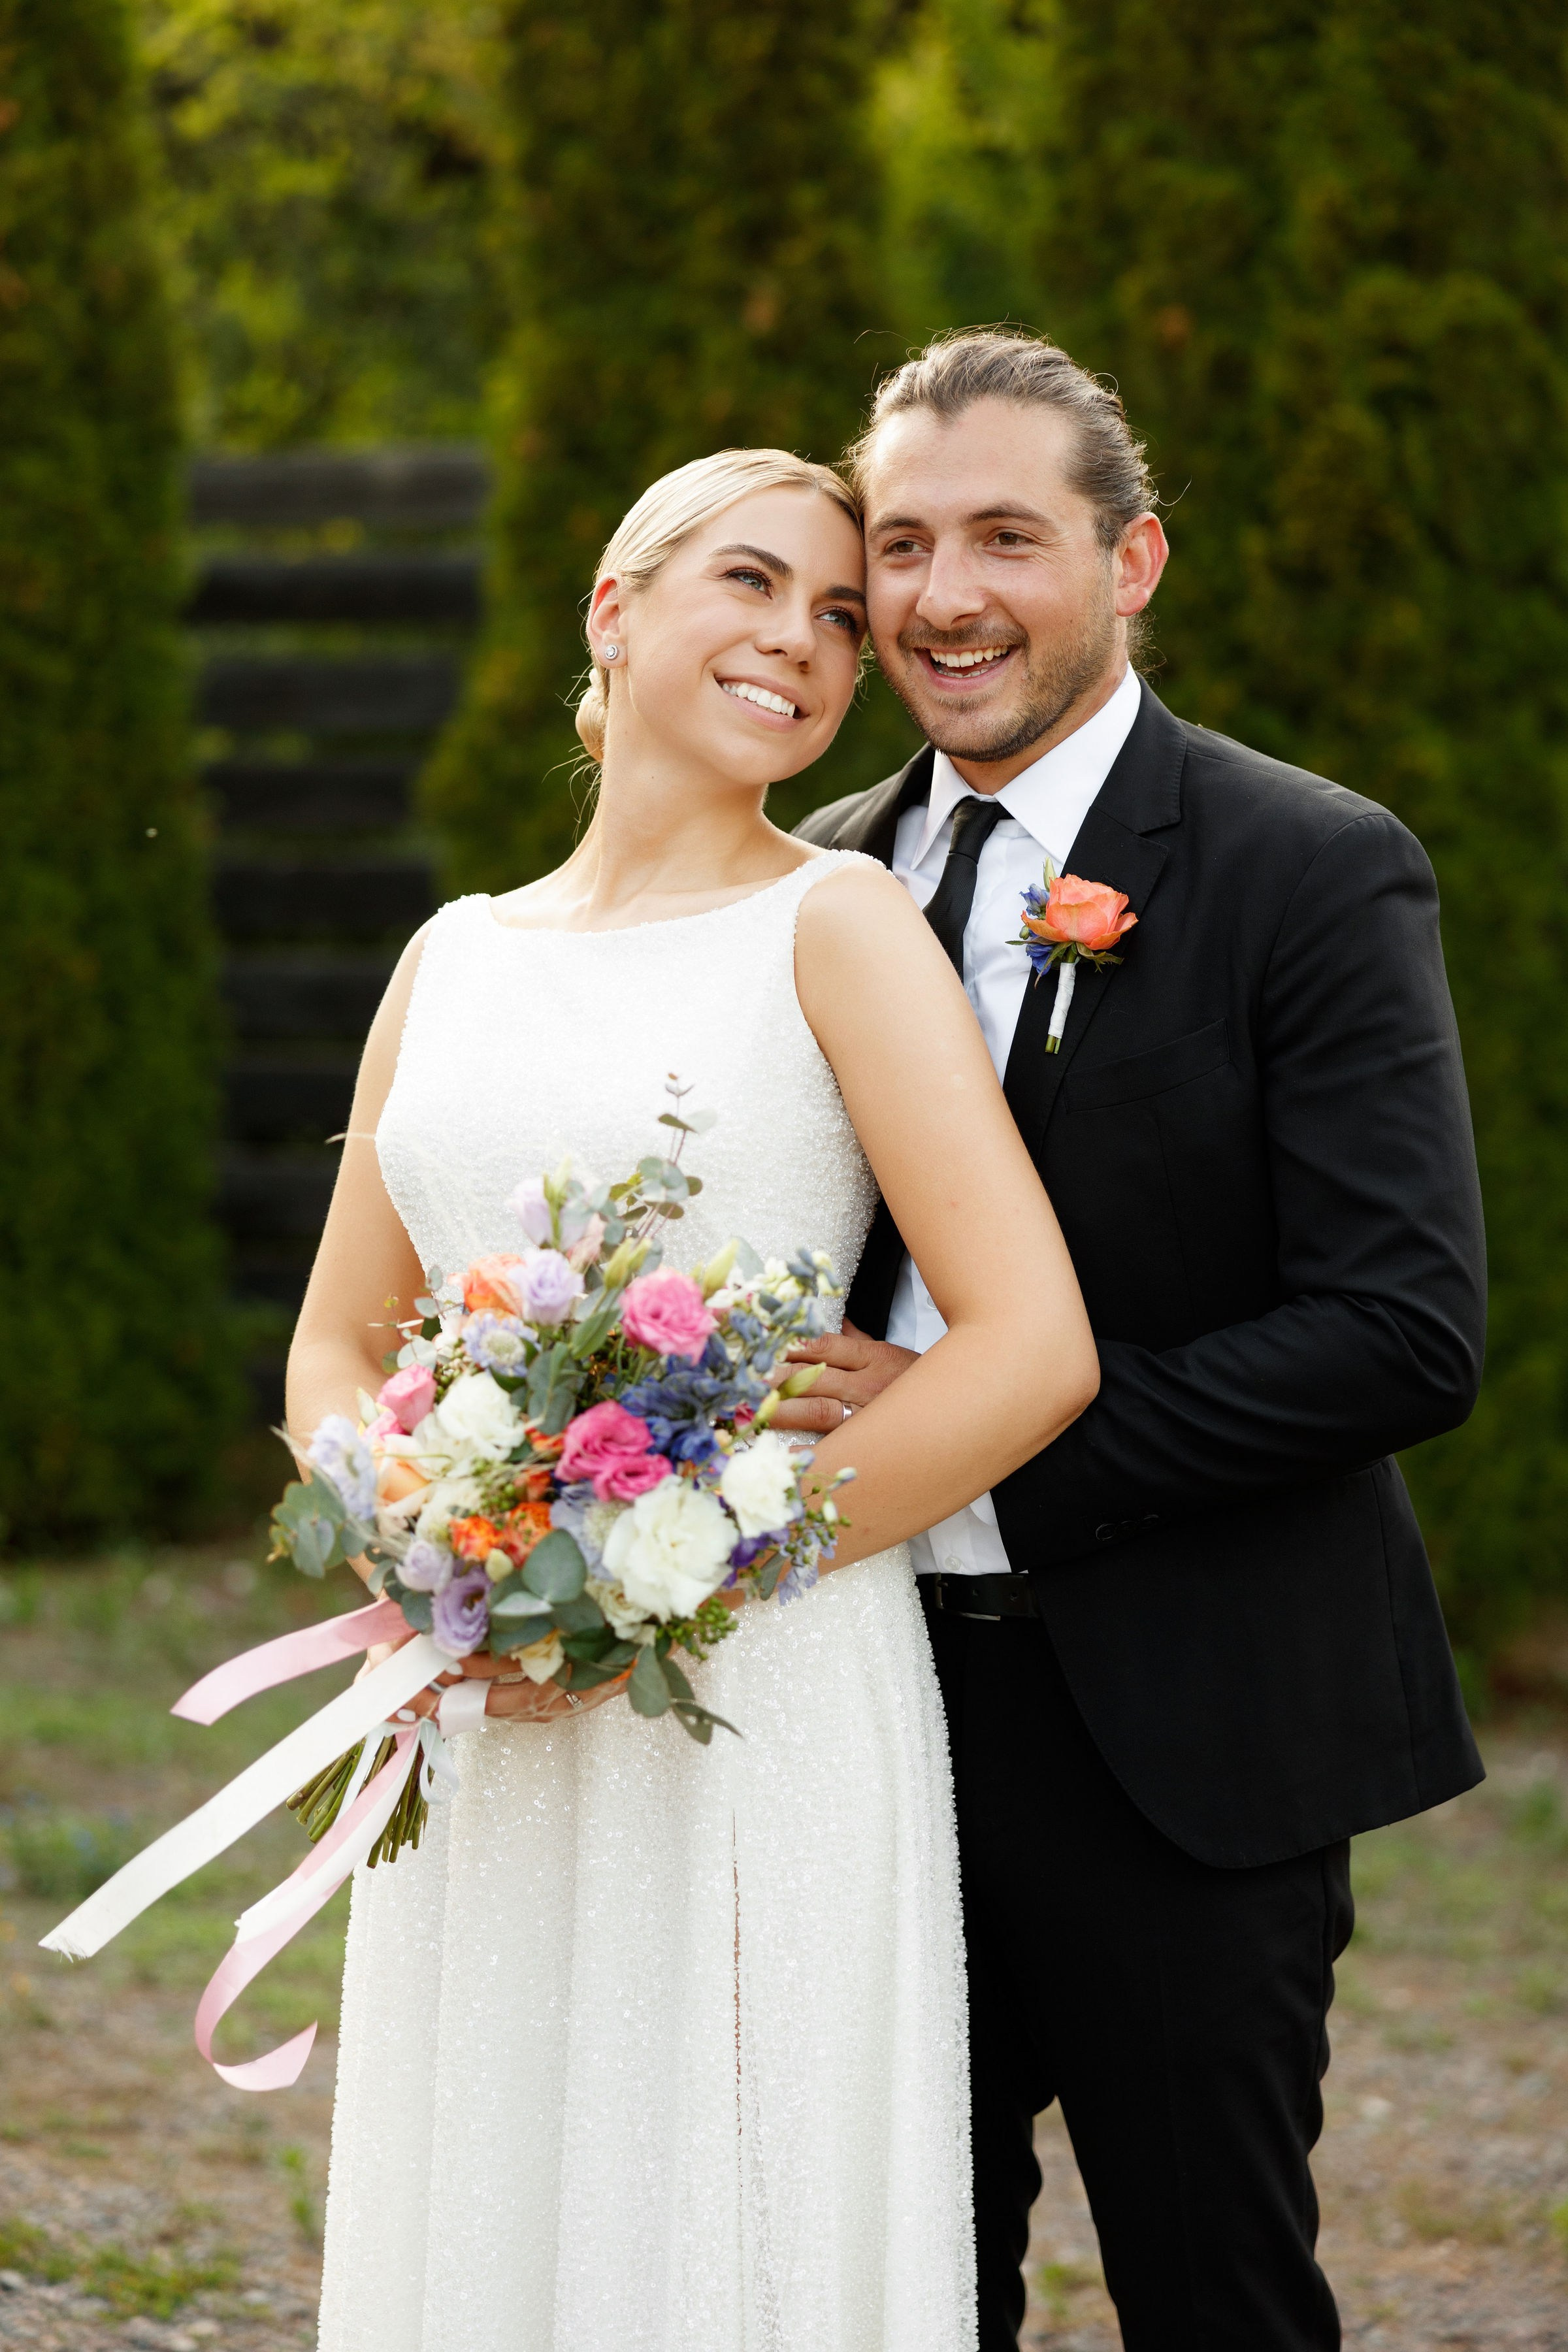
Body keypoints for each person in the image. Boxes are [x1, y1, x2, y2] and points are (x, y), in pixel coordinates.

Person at [286, 444, 1098, 2352]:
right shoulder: (450, 955)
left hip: (763, 1692)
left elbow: (1031, 1343)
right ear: (614, 606)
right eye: (750, 583)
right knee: (498, 2194)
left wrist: (658, 1591)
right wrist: (426, 1541)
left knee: (730, 2217)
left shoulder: (837, 926)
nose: (803, 645)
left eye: (836, 618)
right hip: (490, 1700)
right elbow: (339, 1338)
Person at [790, 330, 1487, 2351]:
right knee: (898, 2294)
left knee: (1218, 2292)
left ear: (1134, 561)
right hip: (866, 1713)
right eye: (901, 544)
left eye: (1008, 536)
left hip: (1194, 1727)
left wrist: (983, 1424)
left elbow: (1401, 1332)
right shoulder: (817, 879)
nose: (943, 598)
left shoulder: (1308, 867)